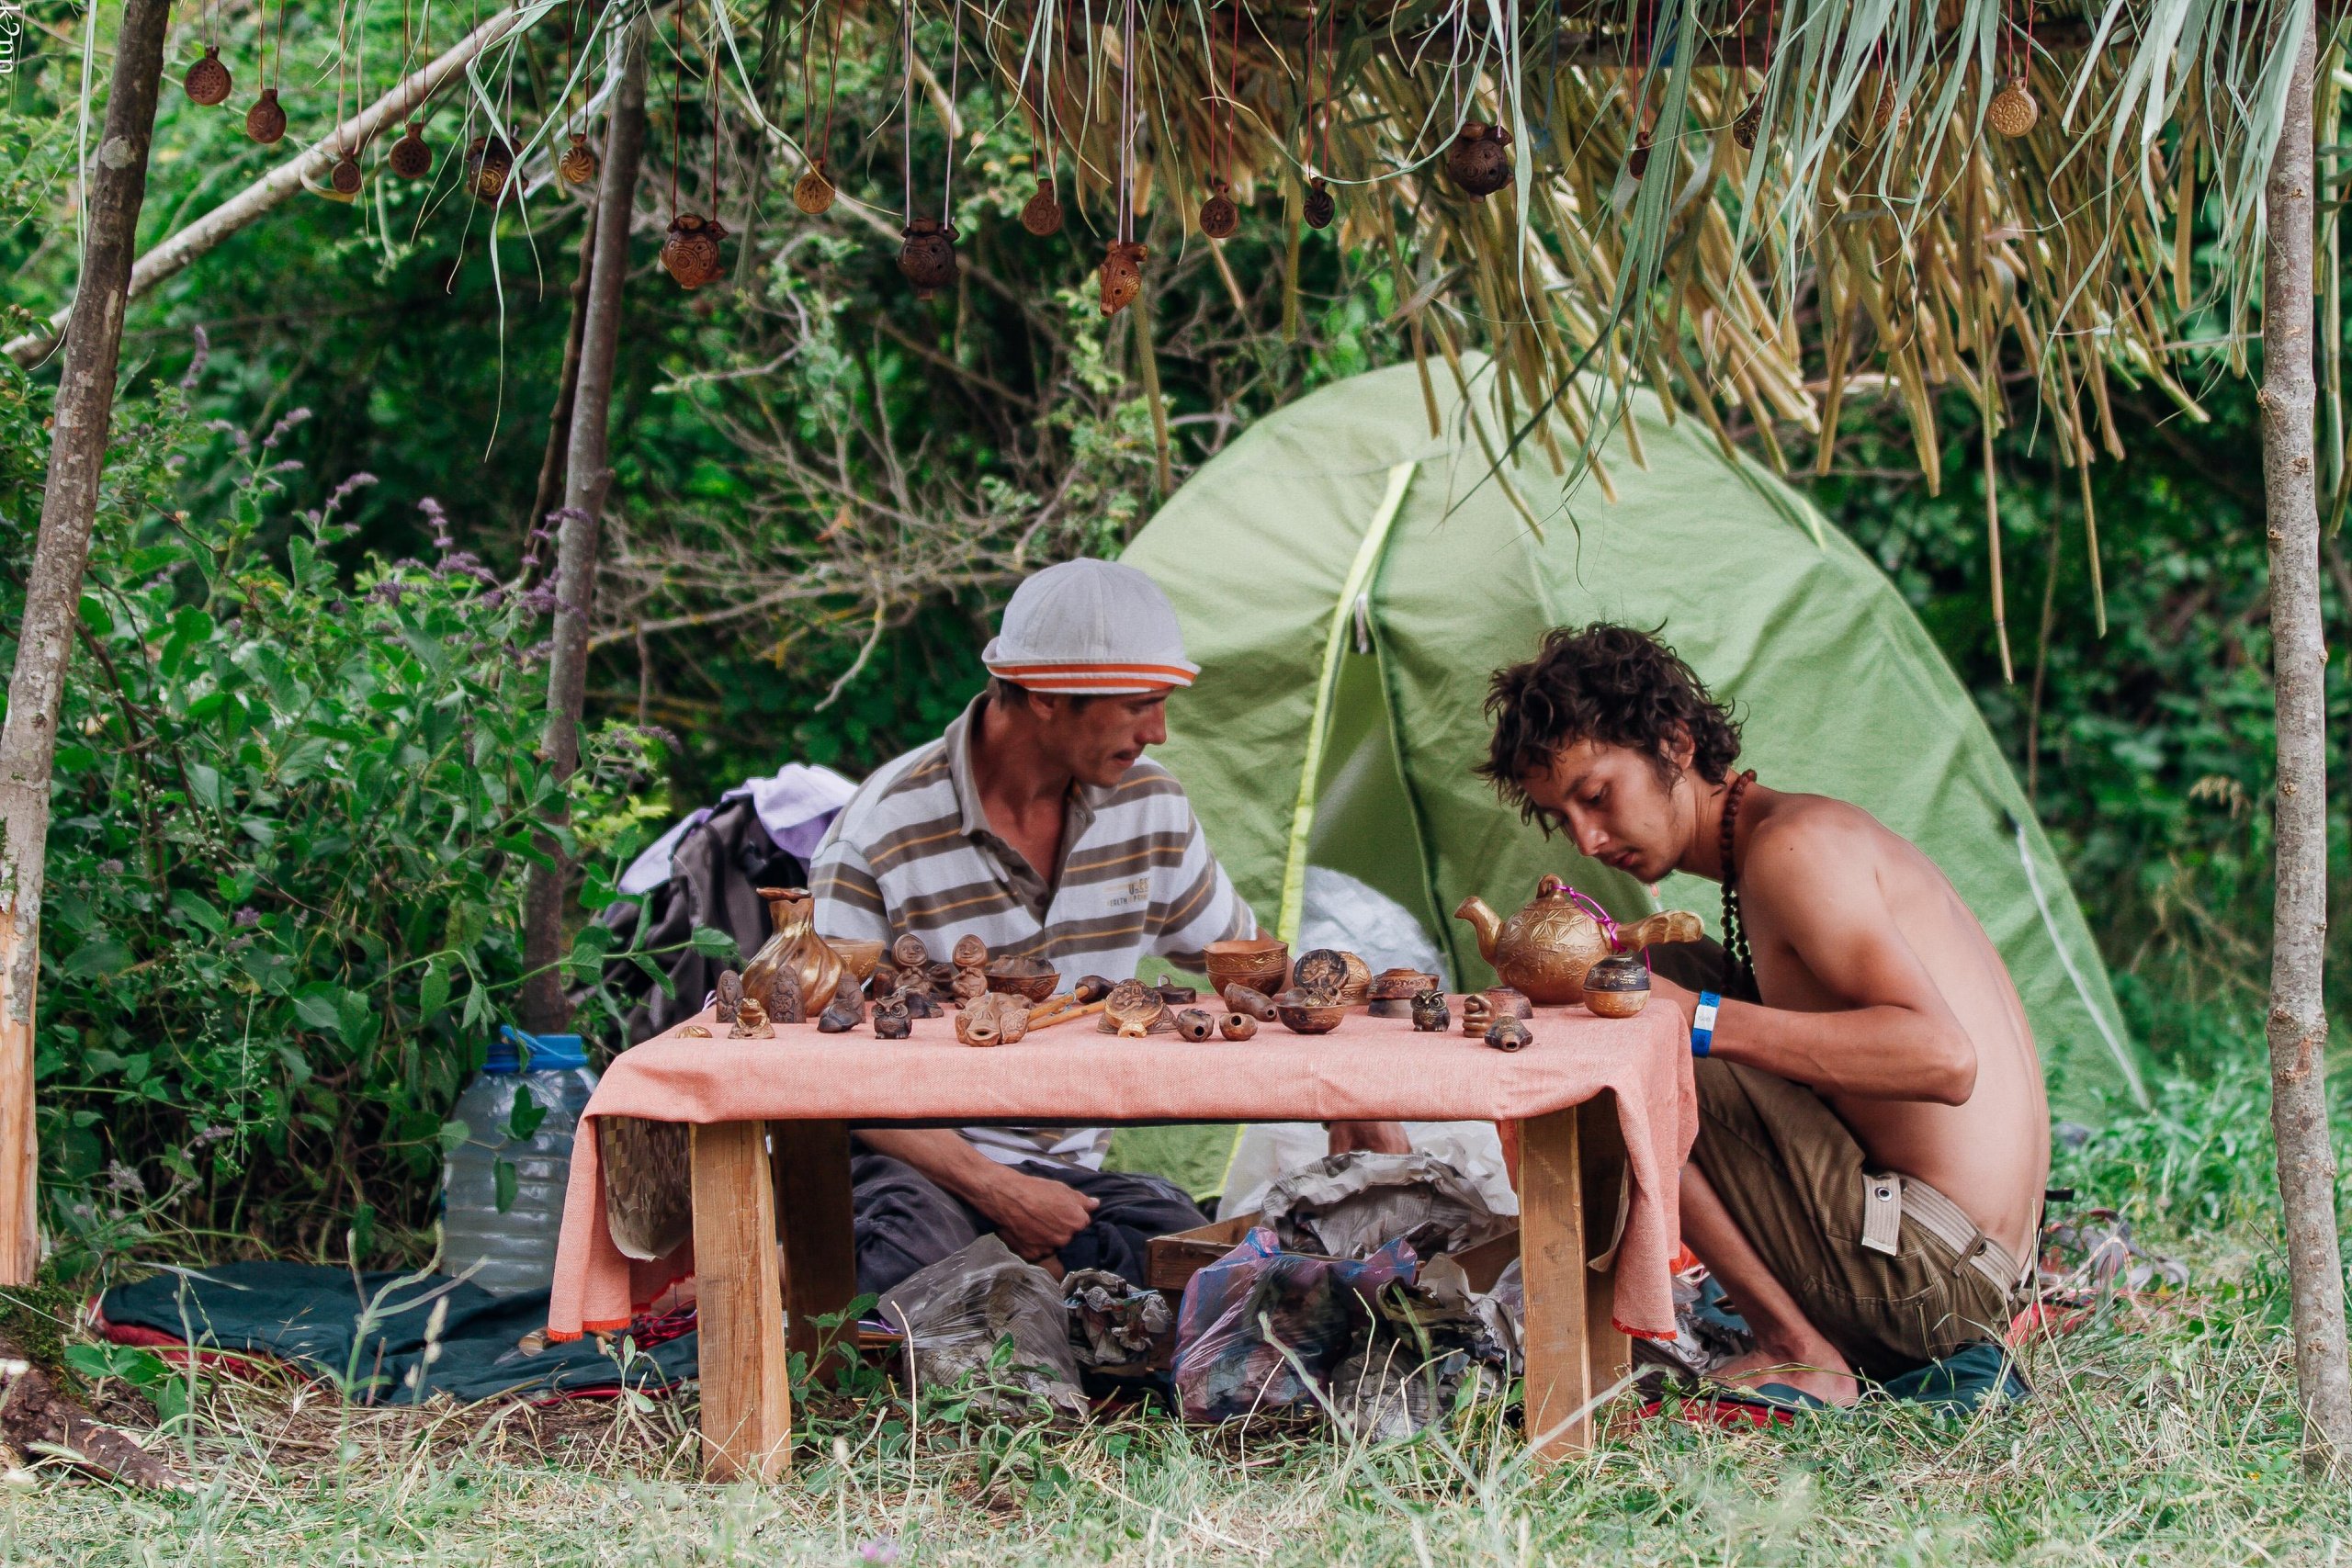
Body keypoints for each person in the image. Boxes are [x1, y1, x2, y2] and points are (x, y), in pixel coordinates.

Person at [1476, 623, 2048, 1406]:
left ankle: (1797, 1348)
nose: (1588, 837)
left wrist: (1692, 1019)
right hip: (1970, 1268)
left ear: (1675, 743)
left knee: (1632, 1018)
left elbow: (1943, 1059)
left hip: (1931, 1283)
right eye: (1562, 817)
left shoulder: (1793, 851)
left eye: (1597, 795)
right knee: (1649, 977)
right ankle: (1797, 1333)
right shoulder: (1792, 835)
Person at [812, 558, 1403, 1296]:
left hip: (1068, 1181)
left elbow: (1258, 970)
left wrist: (1359, 1098)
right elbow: (818, 1077)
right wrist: (996, 1191)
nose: (1158, 731)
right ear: (1045, 698)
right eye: (1137, 706)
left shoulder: (1149, 807)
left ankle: (1039, 1275)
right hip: (920, 1164)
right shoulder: (880, 832)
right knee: (906, 1255)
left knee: (1195, 1257)